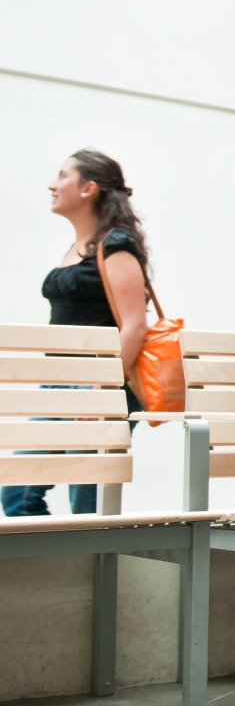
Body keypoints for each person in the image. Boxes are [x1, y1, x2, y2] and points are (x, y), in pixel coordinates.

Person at [3, 150, 147, 516]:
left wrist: (102, 390)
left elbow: (135, 324)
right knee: (18, 493)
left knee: (87, 502)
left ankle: (93, 571)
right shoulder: (77, 248)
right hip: (59, 383)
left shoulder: (115, 245)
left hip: (94, 384)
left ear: (88, 189)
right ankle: (53, 571)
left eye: (62, 175)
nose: (52, 184)